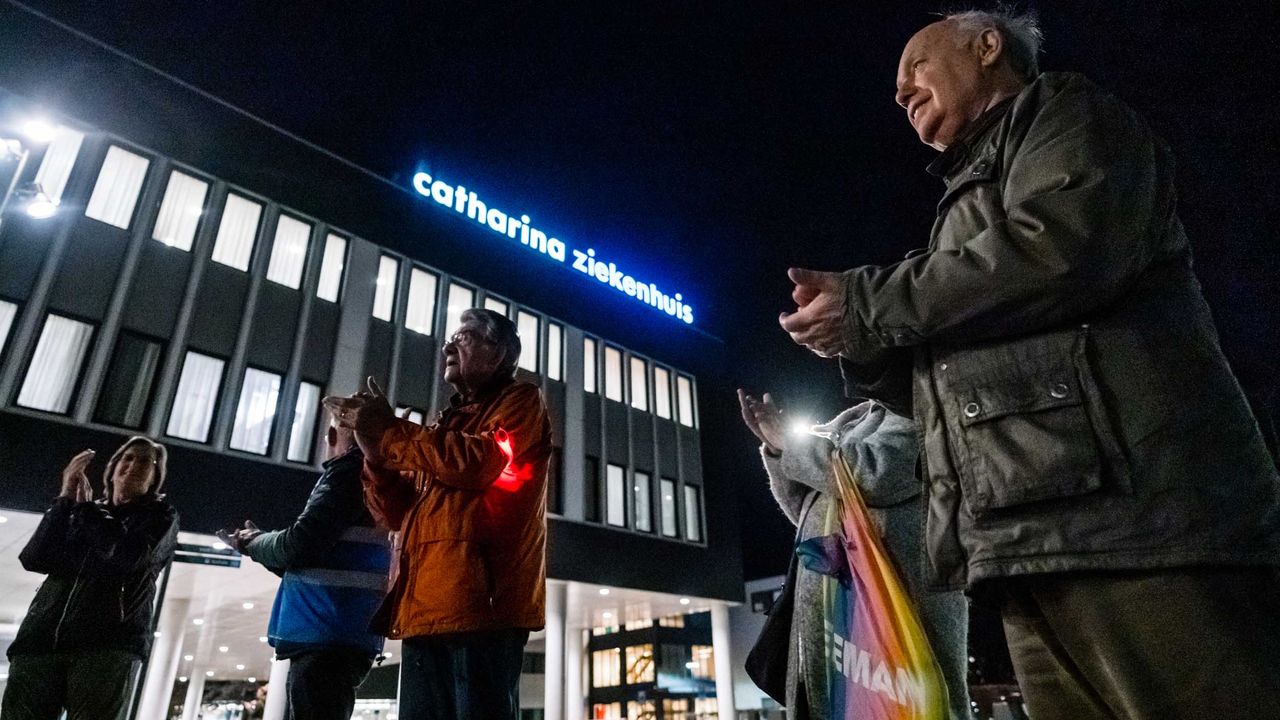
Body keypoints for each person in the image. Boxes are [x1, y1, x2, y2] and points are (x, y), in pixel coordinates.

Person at [777, 8, 1280, 719]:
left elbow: (1063, 252)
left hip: (1134, 526)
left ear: (987, 47)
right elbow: (945, 397)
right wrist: (863, 344)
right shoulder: (964, 206)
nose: (901, 92)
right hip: (1029, 540)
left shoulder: (1069, 113)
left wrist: (868, 302)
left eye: (916, 66)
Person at [324, 307, 552, 720]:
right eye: (450, 339)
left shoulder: (521, 400)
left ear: (499, 352)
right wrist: (374, 453)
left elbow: (481, 462)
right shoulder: (441, 426)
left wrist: (391, 431)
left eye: (463, 338)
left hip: (481, 609)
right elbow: (397, 514)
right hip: (423, 607)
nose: (447, 347)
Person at [739, 390, 969, 719]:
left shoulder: (916, 407)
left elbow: (876, 474)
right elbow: (808, 512)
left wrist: (791, 445)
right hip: (831, 620)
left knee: (912, 704)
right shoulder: (848, 422)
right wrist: (778, 449)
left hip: (897, 608)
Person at [218, 422, 391, 720]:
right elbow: (312, 559)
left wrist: (255, 542)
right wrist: (257, 549)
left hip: (326, 631)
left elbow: (300, 544)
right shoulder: (369, 477)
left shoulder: (347, 473)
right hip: (339, 631)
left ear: (332, 436)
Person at [2, 437, 178, 720]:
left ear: (156, 476)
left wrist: (85, 510)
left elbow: (128, 557)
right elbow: (35, 559)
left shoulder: (160, 516)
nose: (133, 465)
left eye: (145, 461)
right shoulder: (84, 510)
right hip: (40, 642)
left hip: (106, 648)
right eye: (127, 458)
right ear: (112, 469)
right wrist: (64, 499)